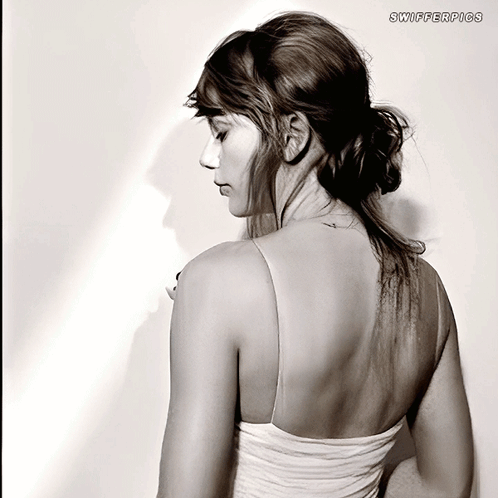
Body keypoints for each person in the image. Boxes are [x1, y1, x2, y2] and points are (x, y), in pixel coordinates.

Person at [157, 12, 474, 498]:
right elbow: (444, 487)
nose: (208, 156)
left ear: (292, 135)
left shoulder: (219, 281)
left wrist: (206, 305)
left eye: (221, 132)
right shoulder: (424, 287)